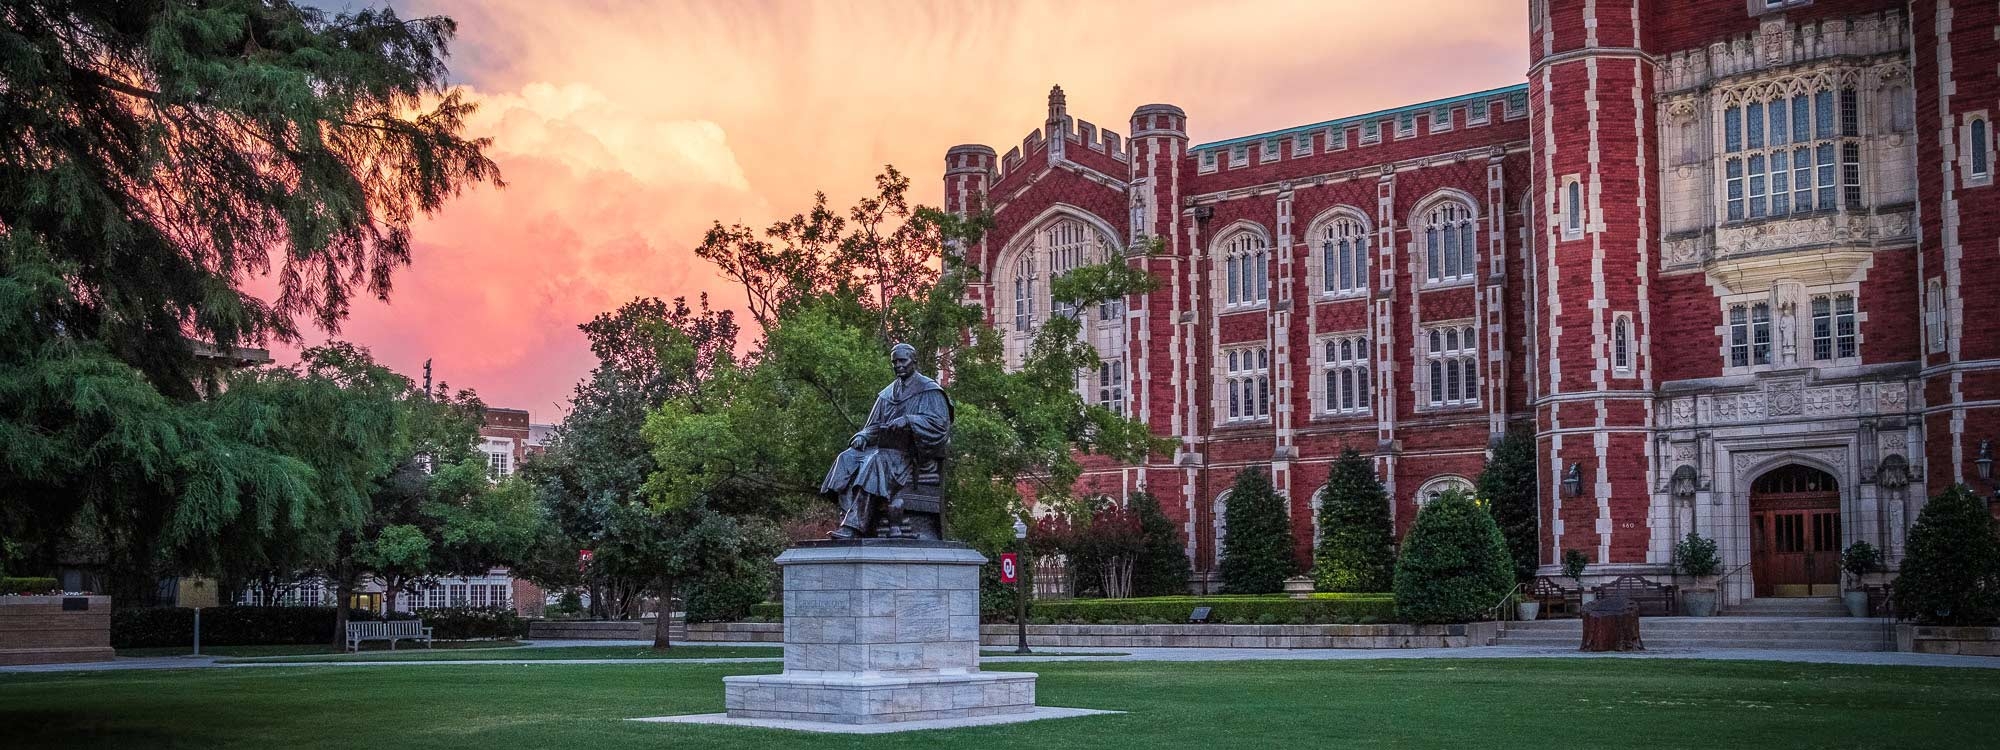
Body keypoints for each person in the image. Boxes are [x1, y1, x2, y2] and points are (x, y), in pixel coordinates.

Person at [820, 343, 953, 539]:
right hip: (885, 449)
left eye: (902, 361)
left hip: (912, 455)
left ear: (914, 362)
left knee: (876, 461)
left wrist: (910, 420)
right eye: (894, 362)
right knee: (846, 458)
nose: (898, 365)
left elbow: (940, 425)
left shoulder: (929, 390)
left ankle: (854, 526)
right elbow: (874, 425)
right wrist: (863, 435)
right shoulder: (887, 394)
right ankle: (848, 516)